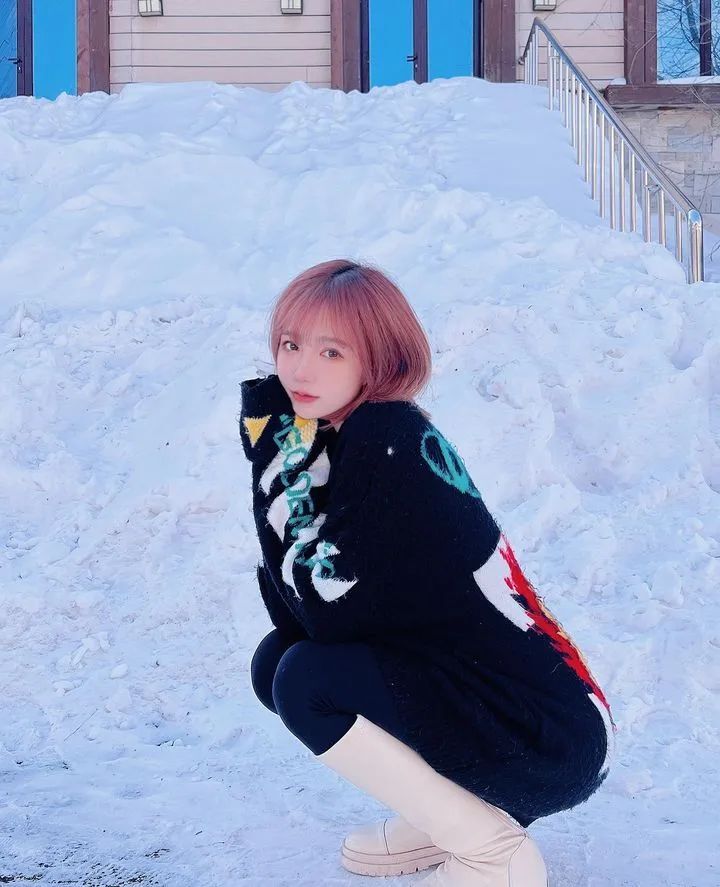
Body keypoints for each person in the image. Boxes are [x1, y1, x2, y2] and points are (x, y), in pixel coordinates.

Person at [239, 259, 616, 886]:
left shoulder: (386, 439)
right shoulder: (352, 437)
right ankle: (456, 814)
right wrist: (287, 452)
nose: (299, 370)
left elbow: (327, 612)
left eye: (332, 352)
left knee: (306, 679)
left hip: (545, 737)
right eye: (290, 344)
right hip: (529, 723)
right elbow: (303, 616)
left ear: (379, 359)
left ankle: (493, 852)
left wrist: (276, 453)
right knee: (278, 662)